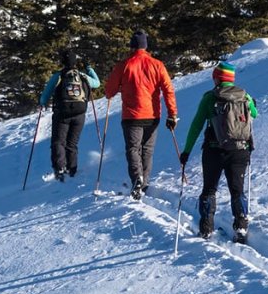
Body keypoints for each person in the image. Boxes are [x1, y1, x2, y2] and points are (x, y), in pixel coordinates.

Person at [179, 61, 258, 242]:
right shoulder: (244, 96)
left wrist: (186, 151)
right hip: (240, 150)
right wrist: (252, 104)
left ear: (216, 78)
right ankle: (241, 227)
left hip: (214, 150)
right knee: (237, 190)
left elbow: (197, 125)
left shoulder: (210, 97)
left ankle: (206, 229)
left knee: (209, 189)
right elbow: (254, 114)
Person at [104, 31, 177, 200]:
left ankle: (137, 179)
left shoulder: (124, 65)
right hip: (152, 115)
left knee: (133, 149)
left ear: (131, 46)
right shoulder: (157, 65)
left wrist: (115, 90)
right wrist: (172, 114)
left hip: (131, 116)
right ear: (145, 46)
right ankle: (143, 183)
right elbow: (168, 90)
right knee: (147, 150)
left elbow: (109, 91)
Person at [38, 51, 101, 181]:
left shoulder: (59, 75)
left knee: (58, 141)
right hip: (79, 113)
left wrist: (42, 103)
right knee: (72, 143)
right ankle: (72, 168)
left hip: (62, 113)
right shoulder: (82, 76)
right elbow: (97, 83)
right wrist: (89, 69)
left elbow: (46, 94)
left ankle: (59, 168)